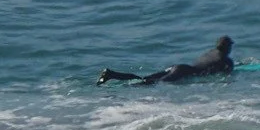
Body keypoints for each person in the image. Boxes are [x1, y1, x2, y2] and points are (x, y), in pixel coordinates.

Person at [99, 36, 237, 86]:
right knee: (149, 83)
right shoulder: (226, 61)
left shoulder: (210, 52)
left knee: (146, 78)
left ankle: (111, 74)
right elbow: (226, 76)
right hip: (183, 73)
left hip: (178, 67)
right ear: (228, 47)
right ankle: (124, 85)